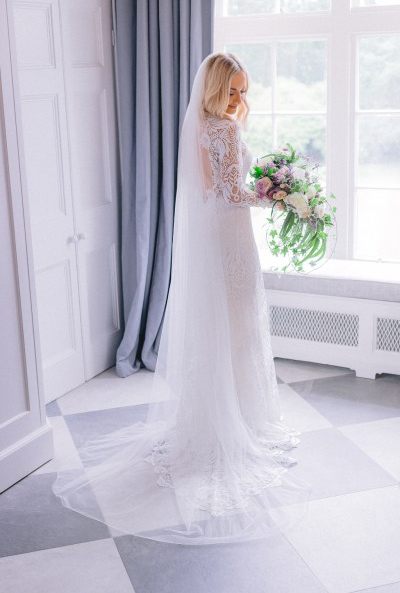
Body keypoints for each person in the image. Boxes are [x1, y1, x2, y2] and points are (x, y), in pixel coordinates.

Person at [52, 52, 310, 545]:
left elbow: (209, 191)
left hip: (213, 236)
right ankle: (237, 423)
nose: (240, 99)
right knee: (238, 333)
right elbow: (234, 193)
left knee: (222, 331)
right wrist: (282, 194)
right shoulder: (227, 131)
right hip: (231, 238)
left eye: (243, 90)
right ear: (215, 88)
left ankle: (216, 419)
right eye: (232, 90)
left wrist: (270, 189)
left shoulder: (198, 127)